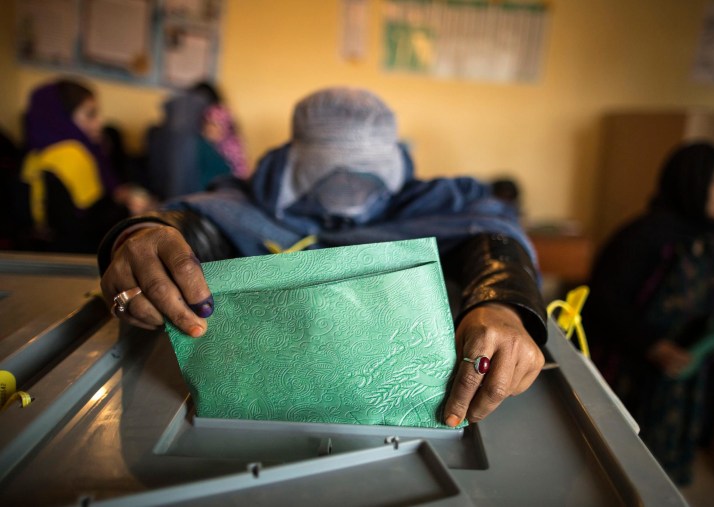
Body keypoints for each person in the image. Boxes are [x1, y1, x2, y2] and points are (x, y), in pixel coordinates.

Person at [99, 87, 547, 427]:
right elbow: (195, 225)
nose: (348, 188)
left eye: (365, 173)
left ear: (393, 163)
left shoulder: (437, 204)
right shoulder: (247, 205)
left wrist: (502, 302)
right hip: (256, 409)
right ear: (293, 163)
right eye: (329, 171)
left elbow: (490, 238)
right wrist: (142, 236)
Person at [584, 141, 714, 485]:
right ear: (693, 181)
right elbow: (605, 302)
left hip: (686, 375)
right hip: (633, 372)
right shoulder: (643, 236)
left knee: (665, 470)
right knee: (619, 465)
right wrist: (653, 345)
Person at [19, 78, 151, 253]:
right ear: (60, 117)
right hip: (75, 260)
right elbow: (93, 223)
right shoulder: (73, 154)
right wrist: (130, 209)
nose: (99, 122)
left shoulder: (35, 155)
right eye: (90, 114)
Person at [145, 81, 249, 200]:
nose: (210, 129)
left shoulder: (229, 146)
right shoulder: (197, 143)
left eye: (215, 125)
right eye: (208, 124)